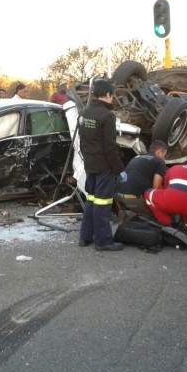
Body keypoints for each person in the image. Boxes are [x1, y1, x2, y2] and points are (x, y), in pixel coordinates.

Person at [79, 79, 126, 252]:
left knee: (91, 200)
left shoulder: (84, 113)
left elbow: (82, 141)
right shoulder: (108, 116)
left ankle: (85, 237)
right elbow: (110, 147)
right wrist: (119, 169)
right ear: (107, 94)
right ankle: (103, 241)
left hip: (90, 164)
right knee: (102, 203)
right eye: (112, 95)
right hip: (104, 167)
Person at [145, 160, 187, 234]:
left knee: (148, 193)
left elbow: (166, 187)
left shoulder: (175, 167)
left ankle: (168, 223)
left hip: (172, 200)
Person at [114, 140, 167, 218]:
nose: (164, 159)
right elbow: (157, 187)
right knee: (157, 217)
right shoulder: (159, 161)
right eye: (165, 156)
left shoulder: (137, 157)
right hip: (132, 200)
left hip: (116, 198)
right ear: (159, 152)